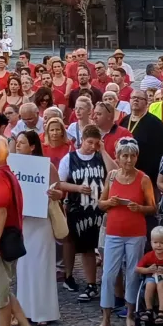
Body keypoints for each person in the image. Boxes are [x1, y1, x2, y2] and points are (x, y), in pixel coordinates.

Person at [93, 137, 156, 326]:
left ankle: (130, 314)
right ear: (118, 157)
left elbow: (153, 207)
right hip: (113, 232)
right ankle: (105, 319)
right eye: (125, 156)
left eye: (132, 156)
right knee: (108, 275)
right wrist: (109, 203)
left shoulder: (143, 179)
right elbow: (100, 204)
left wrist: (140, 208)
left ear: (137, 157)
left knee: (132, 273)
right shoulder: (112, 177)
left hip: (135, 233)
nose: (129, 160)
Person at [0, 135, 40, 326]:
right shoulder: (7, 174)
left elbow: (1, 212)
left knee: (0, 298)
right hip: (7, 243)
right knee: (3, 290)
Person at [13, 130, 62, 326]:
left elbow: (59, 191)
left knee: (41, 267)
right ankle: (23, 311)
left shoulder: (46, 166)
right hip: (23, 222)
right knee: (24, 267)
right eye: (17, 142)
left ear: (32, 146)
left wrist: (54, 194)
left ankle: (43, 313)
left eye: (22, 142)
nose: (18, 145)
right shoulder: (13, 166)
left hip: (41, 222)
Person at [58, 123, 112, 300]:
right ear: (82, 140)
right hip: (79, 210)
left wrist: (103, 150)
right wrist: (77, 188)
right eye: (89, 142)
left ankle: (109, 282)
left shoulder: (100, 157)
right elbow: (60, 182)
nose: (92, 146)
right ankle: (91, 283)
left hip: (100, 209)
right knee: (87, 248)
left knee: (104, 248)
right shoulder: (69, 158)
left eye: (96, 143)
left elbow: (114, 172)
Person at [134, 225, 163, 326]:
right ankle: (149, 310)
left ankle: (161, 312)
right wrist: (148, 270)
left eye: (162, 243)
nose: (158, 245)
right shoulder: (148, 256)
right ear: (151, 243)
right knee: (149, 284)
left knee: (161, 285)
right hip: (152, 277)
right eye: (155, 242)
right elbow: (137, 269)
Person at [122, 89, 163, 183]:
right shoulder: (124, 121)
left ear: (146, 102)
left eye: (139, 98)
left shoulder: (155, 124)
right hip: (125, 173)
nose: (135, 100)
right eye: (133, 98)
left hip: (147, 175)